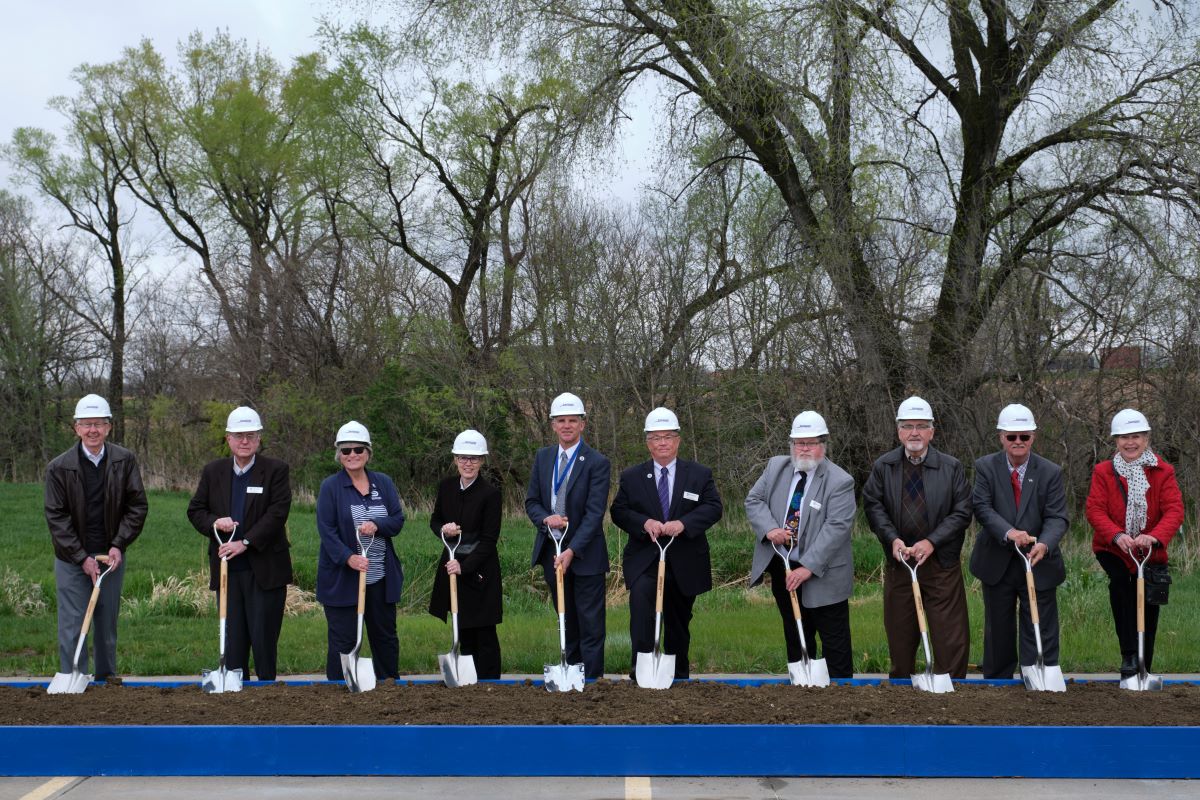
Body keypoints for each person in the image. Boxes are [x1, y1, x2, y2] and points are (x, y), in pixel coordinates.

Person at [862, 396, 972, 679]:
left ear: (932, 432)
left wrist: (932, 542)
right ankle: (902, 697)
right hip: (901, 564)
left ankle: (951, 691)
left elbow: (962, 513)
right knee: (900, 636)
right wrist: (892, 540)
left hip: (940, 566)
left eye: (921, 426)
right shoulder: (884, 467)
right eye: (908, 426)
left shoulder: (951, 468)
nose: (914, 433)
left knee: (950, 638)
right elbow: (873, 506)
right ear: (898, 431)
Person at [610, 407, 723, 680]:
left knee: (678, 622)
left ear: (678, 440)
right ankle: (642, 674)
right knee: (641, 614)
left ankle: (678, 676)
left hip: (685, 560)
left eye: (668, 437)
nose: (662, 442)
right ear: (648, 442)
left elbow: (713, 507)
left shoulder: (699, 474)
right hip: (645, 560)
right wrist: (643, 523)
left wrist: (684, 524)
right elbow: (619, 511)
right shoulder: (632, 476)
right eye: (656, 437)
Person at [44, 393, 148, 682]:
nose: (93, 430)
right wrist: (81, 557)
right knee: (72, 623)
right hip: (71, 559)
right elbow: (56, 517)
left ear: (109, 427)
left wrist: (118, 545)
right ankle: (72, 679)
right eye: (87, 424)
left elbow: (137, 506)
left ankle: (106, 682)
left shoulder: (124, 461)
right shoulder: (59, 467)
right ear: (76, 428)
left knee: (106, 624)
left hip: (110, 556)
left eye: (99, 424)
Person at [745, 411, 856, 678]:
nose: (804, 448)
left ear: (823, 444)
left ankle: (842, 697)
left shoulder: (840, 481)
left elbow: (837, 527)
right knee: (796, 633)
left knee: (834, 641)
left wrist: (807, 567)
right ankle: (801, 690)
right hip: (784, 565)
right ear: (791, 444)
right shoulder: (776, 467)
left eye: (811, 443)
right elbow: (754, 500)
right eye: (799, 443)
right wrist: (770, 528)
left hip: (823, 571)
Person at [186, 406, 293, 681]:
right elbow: (195, 510)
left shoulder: (275, 471)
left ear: (258, 439)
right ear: (228, 439)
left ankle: (268, 696)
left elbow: (277, 513)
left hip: (265, 571)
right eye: (238, 435)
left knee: (264, 641)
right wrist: (214, 523)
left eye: (250, 435)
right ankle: (234, 698)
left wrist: (245, 542)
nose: (244, 441)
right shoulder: (213, 471)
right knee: (232, 644)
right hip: (227, 571)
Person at [970, 403, 1070, 679]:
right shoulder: (985, 467)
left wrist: (1045, 544)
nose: (1018, 442)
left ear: (1033, 437)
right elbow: (982, 507)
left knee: (1040, 624)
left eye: (1023, 436)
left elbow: (1057, 517)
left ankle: (1040, 677)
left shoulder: (1050, 472)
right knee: (998, 627)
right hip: (997, 560)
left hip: (1038, 561)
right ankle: (998, 682)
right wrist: (1009, 532)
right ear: (1001, 437)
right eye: (1011, 436)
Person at [1085, 408, 1183, 678]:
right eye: (1124, 437)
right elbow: (1095, 510)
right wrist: (1118, 535)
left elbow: (1174, 510)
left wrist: (1154, 536)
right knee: (1122, 585)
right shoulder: (1104, 472)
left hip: (1149, 549)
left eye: (1136, 436)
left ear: (1147, 438)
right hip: (1113, 548)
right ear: (1115, 441)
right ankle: (1129, 654)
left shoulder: (1163, 471)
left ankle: (1143, 667)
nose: (1131, 442)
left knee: (1149, 604)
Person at [525, 392, 612, 679]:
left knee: (590, 623)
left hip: (584, 555)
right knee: (566, 619)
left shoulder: (597, 462)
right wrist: (544, 518)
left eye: (572, 421)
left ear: (582, 424)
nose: (566, 426)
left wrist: (572, 550)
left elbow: (594, 513)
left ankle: (591, 681)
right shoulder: (543, 457)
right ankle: (570, 678)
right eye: (561, 420)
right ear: (552, 425)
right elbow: (532, 502)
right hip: (552, 549)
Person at [316, 421, 405, 682]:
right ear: (339, 455)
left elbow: (397, 520)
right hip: (343, 580)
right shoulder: (331, 487)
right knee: (343, 641)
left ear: (367, 452)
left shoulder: (383, 483)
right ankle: (338, 690)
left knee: (385, 639)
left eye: (357, 449)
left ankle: (389, 686)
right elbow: (326, 530)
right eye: (346, 451)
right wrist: (348, 558)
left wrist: (377, 524)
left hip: (379, 577)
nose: (352, 455)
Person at [429, 429, 504, 679]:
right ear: (455, 460)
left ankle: (490, 683)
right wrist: (443, 529)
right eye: (463, 457)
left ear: (482, 460)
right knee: (463, 628)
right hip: (452, 564)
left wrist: (466, 566)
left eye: (473, 458)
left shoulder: (491, 494)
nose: (468, 463)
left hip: (480, 570)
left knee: (484, 632)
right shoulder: (447, 487)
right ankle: (468, 684)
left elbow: (489, 540)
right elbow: (435, 519)